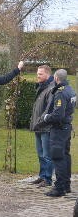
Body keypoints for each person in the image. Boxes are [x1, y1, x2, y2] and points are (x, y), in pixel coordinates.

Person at [42, 69, 75, 197]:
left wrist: (46, 118)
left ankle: (59, 188)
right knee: (66, 156)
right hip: (66, 127)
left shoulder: (60, 93)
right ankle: (66, 185)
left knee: (58, 157)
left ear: (56, 78)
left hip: (59, 129)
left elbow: (58, 115)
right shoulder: (70, 90)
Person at [28, 65, 55, 187]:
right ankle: (42, 176)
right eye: (37, 73)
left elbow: (48, 110)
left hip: (46, 127)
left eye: (40, 74)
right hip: (39, 127)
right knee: (40, 153)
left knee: (47, 155)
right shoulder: (41, 87)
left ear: (48, 75)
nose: (37, 76)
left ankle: (48, 179)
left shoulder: (51, 89)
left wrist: (39, 121)